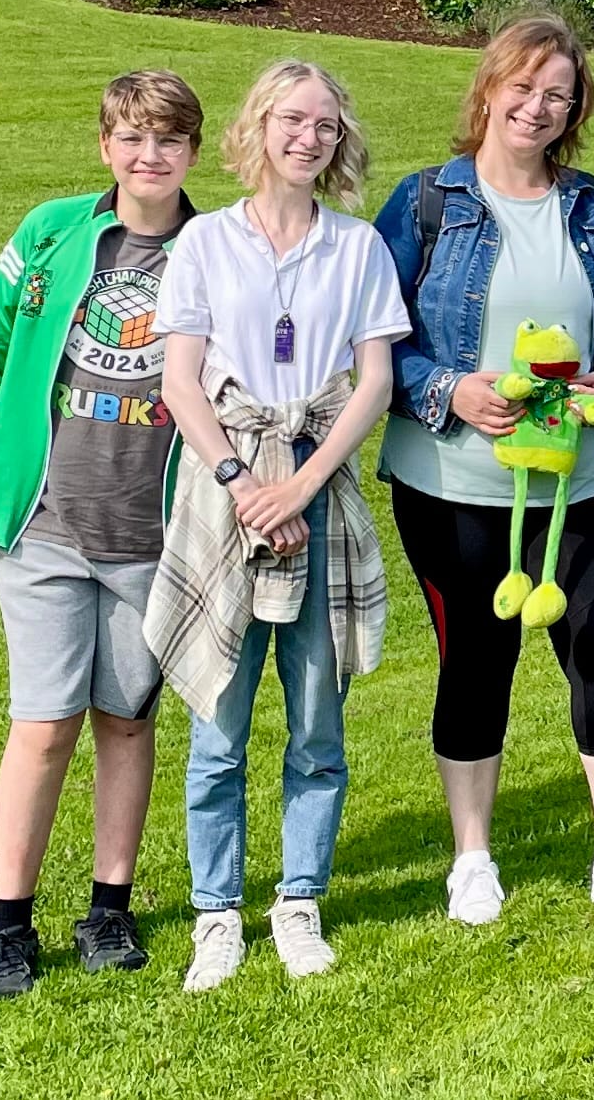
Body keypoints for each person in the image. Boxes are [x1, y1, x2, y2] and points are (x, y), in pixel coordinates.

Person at [373, 13, 594, 923]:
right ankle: (471, 857)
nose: (538, 106)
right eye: (523, 87)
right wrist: (446, 389)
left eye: (557, 94)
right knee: (478, 658)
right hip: (451, 483)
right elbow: (370, 338)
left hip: (581, 478)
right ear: (488, 90)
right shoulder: (424, 202)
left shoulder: (587, 202)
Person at [0, 70, 205, 998]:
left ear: (192, 155)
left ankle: (109, 907)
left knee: (126, 721)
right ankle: (10, 923)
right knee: (43, 725)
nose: (149, 156)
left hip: (150, 534)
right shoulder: (51, 233)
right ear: (105, 147)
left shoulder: (211, 251)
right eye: (132, 138)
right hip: (45, 525)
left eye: (168, 141)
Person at [144, 60, 410, 990]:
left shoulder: (359, 247)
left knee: (315, 726)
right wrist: (239, 478)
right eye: (292, 120)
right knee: (218, 724)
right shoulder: (206, 242)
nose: (309, 137)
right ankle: (216, 912)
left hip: (318, 492)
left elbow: (372, 380)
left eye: (326, 126)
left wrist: (299, 488)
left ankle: (298, 900)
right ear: (258, 128)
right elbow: (182, 378)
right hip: (224, 501)